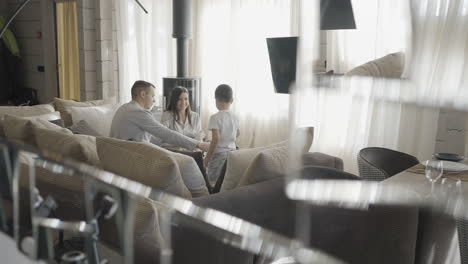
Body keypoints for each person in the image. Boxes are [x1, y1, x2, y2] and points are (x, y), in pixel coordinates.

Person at [110, 80, 209, 152]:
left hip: (121, 152)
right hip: (131, 155)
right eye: (152, 96)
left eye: (186, 99)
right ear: (143, 94)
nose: (154, 100)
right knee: (188, 163)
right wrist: (198, 144)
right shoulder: (138, 112)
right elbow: (166, 133)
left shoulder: (125, 108)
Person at [203, 84, 240, 186]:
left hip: (218, 156)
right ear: (232, 100)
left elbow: (216, 139)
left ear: (216, 100)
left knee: (213, 183)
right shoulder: (235, 117)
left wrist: (207, 158)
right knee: (226, 181)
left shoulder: (215, 118)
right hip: (232, 153)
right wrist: (229, 140)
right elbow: (238, 133)